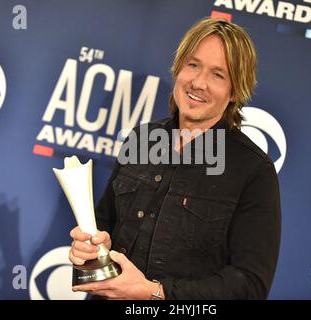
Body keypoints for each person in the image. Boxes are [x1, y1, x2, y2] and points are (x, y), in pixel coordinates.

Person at [69, 17, 281, 300]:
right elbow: (103, 224)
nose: (198, 82)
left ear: (234, 91)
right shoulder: (141, 139)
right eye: (193, 65)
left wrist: (154, 293)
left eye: (218, 74)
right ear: (179, 67)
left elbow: (250, 286)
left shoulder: (254, 171)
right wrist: (93, 247)